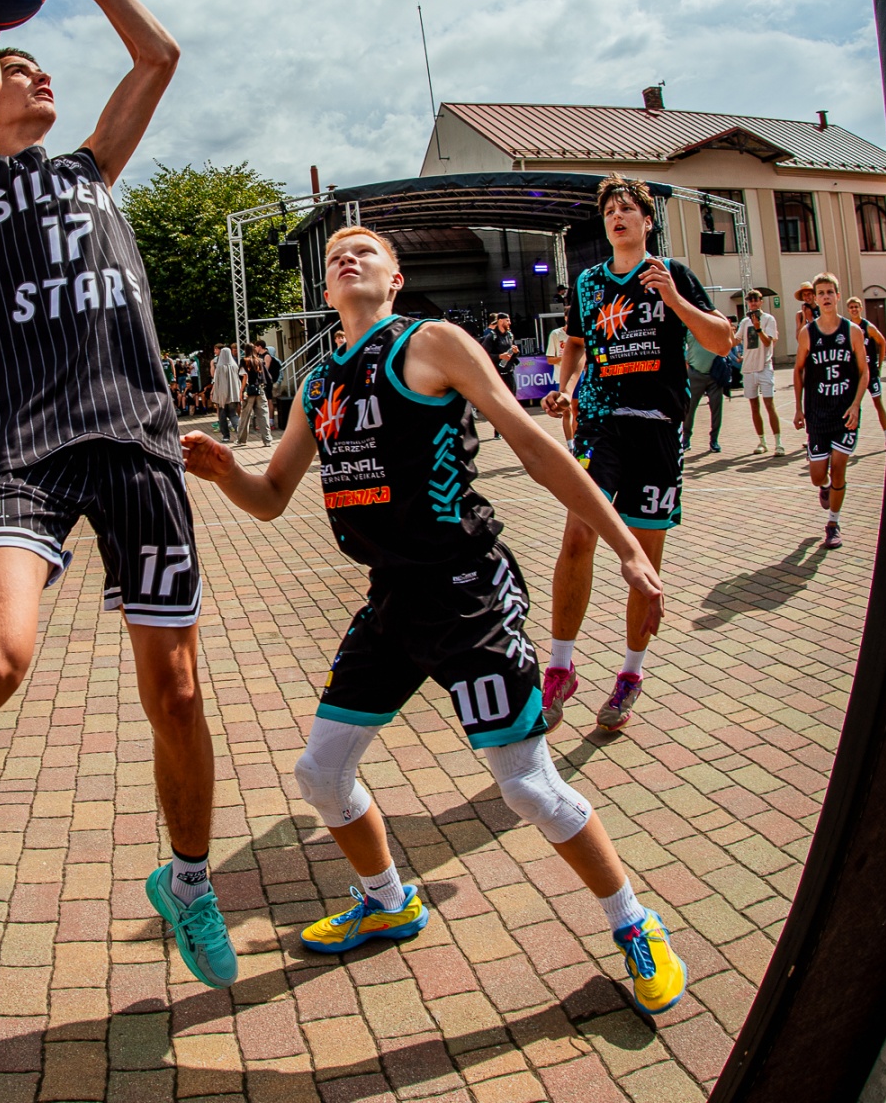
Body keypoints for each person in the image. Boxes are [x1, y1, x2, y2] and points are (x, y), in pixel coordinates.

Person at [181, 227, 687, 1017]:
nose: (346, 257)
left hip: (467, 591)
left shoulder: (431, 344)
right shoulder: (318, 384)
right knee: (320, 775)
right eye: (335, 256)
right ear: (325, 291)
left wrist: (625, 546)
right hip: (392, 599)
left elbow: (533, 446)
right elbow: (272, 497)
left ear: (394, 279)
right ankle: (388, 901)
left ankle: (635, 922)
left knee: (526, 785)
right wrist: (224, 474)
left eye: (365, 251)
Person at [0, 0, 235, 989]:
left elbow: (159, 56)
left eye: (40, 65)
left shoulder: (94, 167)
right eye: (22, 69)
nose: (35, 73)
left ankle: (188, 883)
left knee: (177, 694)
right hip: (27, 448)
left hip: (136, 441)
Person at [540, 175, 734, 732]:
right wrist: (565, 388)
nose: (617, 217)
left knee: (643, 562)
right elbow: (577, 345)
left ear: (647, 222)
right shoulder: (589, 283)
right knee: (577, 536)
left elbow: (721, 340)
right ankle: (559, 669)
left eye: (627, 209)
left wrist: (673, 299)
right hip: (600, 427)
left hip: (657, 431)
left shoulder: (673, 274)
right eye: (610, 212)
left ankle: (630, 674)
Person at [792, 273, 868, 550]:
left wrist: (856, 404)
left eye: (829, 292)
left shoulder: (852, 331)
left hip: (844, 414)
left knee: (839, 470)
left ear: (837, 296)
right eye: (821, 293)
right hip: (817, 414)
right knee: (817, 476)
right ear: (816, 298)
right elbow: (798, 371)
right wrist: (798, 408)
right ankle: (824, 488)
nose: (825, 297)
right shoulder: (808, 333)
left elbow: (864, 371)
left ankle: (833, 524)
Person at [738, 290, 785, 454]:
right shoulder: (745, 322)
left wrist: (758, 329)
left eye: (755, 299)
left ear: (761, 301)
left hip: (764, 366)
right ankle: (762, 441)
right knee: (754, 406)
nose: (753, 302)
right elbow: (736, 339)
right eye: (750, 300)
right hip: (748, 368)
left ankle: (778, 443)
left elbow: (767, 342)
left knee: (769, 404)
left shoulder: (768, 319)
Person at [844, 297, 886, 435]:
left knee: (878, 402)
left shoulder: (868, 327)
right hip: (855, 374)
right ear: (848, 310)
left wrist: (879, 364)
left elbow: (882, 342)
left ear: (861, 308)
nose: (854, 309)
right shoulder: (847, 328)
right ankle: (848, 435)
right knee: (852, 404)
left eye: (856, 307)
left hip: (870, 372)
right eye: (851, 307)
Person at [683, 327, 725, 454]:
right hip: (695, 372)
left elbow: (726, 342)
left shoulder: (713, 323)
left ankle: (714, 440)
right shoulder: (688, 327)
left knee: (716, 409)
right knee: (689, 408)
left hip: (715, 374)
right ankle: (686, 439)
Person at [235, 343, 273, 447]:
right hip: (260, 390)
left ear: (245, 351)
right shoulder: (260, 361)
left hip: (249, 390)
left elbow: (245, 377)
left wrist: (241, 391)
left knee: (245, 416)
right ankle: (267, 440)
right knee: (263, 416)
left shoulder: (244, 361)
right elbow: (268, 377)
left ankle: (241, 440)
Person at [211, 343, 241, 441]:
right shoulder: (234, 366)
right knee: (233, 414)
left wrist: (214, 394)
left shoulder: (219, 367)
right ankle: (240, 431)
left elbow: (216, 382)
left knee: (222, 415)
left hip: (222, 396)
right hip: (233, 395)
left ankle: (226, 436)